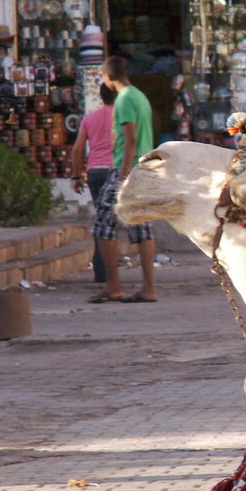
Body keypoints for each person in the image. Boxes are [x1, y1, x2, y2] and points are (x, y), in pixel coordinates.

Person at [89, 55, 158, 304]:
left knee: (102, 227)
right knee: (141, 228)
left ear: (107, 77)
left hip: (128, 169)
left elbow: (130, 138)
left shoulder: (125, 99)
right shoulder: (138, 95)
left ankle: (113, 286)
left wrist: (123, 174)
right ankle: (148, 288)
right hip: (144, 168)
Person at [71, 82, 117, 285]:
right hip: (114, 170)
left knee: (101, 220)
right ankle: (109, 273)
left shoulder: (90, 118)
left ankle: (101, 272)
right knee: (112, 224)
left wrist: (75, 176)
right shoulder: (122, 117)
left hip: (94, 172)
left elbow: (77, 149)